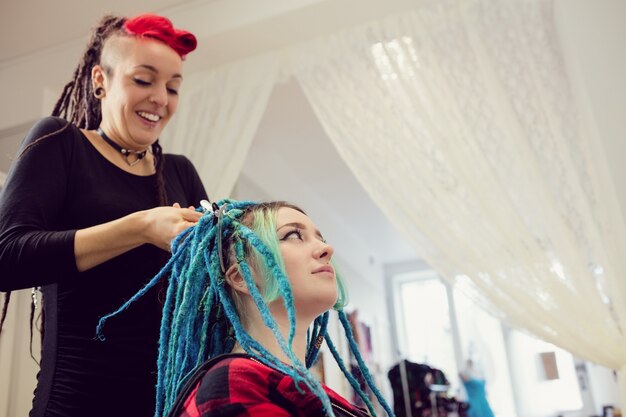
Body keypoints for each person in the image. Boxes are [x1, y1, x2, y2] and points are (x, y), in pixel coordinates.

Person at [0, 13, 208, 417]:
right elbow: (7, 256)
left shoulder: (181, 173)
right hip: (74, 403)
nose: (161, 99)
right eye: (144, 80)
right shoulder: (61, 145)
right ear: (101, 81)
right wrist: (141, 226)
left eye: (173, 87)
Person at [97, 199, 395, 417]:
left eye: (321, 238)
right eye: (293, 235)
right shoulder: (232, 385)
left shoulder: (309, 392)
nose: (326, 249)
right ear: (242, 275)